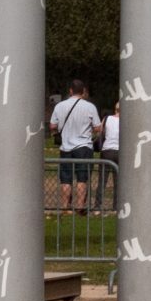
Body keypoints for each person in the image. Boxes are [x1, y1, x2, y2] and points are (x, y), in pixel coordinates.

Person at [49, 78, 102, 212]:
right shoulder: (90, 107)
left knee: (65, 179)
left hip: (66, 147)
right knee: (82, 178)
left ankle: (65, 206)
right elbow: (97, 127)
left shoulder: (60, 106)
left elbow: (52, 125)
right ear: (83, 91)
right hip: (83, 146)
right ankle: (80, 206)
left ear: (70, 91)